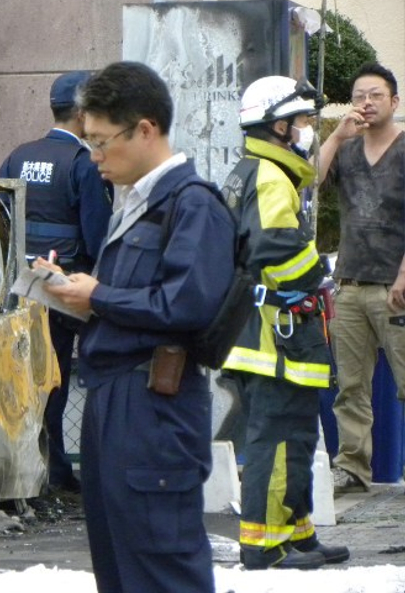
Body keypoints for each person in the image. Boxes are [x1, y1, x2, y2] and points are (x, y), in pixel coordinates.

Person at [41, 61, 233, 593]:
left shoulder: (192, 205)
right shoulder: (133, 205)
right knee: (119, 565)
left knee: (161, 565)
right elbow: (134, 302)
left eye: (102, 142)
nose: (95, 157)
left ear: (145, 129)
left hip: (154, 403)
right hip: (114, 397)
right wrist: (73, 294)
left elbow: (186, 304)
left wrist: (98, 294)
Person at [220, 74, 349, 570]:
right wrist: (318, 273)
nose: (308, 131)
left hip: (263, 331)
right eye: (301, 121)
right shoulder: (270, 177)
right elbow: (275, 246)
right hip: (275, 334)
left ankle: (296, 534)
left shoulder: (252, 170)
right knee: (276, 440)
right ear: (278, 127)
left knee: (295, 436)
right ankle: (263, 546)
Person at [0, 70, 112, 493]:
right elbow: (99, 235)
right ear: (82, 114)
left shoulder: (19, 155)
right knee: (56, 379)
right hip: (63, 292)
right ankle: (56, 470)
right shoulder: (82, 164)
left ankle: (29, 466)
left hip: (17, 288)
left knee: (22, 381)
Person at [315, 62, 405, 494]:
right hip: (349, 283)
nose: (366, 103)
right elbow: (309, 180)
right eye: (358, 97)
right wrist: (336, 135)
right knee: (350, 386)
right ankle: (352, 466)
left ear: (394, 101)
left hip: (395, 285)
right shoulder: (347, 150)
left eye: (375, 95)